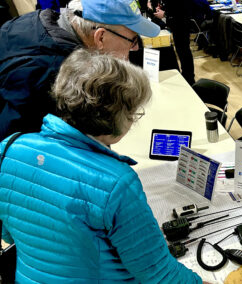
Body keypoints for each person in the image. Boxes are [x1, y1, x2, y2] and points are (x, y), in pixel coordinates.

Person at [0, 48, 203, 283]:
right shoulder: (116, 183)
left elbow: (8, 232)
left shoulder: (9, 148)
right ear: (118, 118)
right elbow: (158, 274)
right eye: (134, 113)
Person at [0, 0, 160, 141]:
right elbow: (16, 150)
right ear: (100, 38)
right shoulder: (54, 75)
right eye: (132, 40)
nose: (136, 47)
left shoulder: (38, 21)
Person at [153, 0, 196, 85]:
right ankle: (187, 76)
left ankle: (189, 78)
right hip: (177, 23)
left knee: (183, 50)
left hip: (181, 23)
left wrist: (165, 13)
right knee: (181, 50)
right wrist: (162, 9)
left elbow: (181, 8)